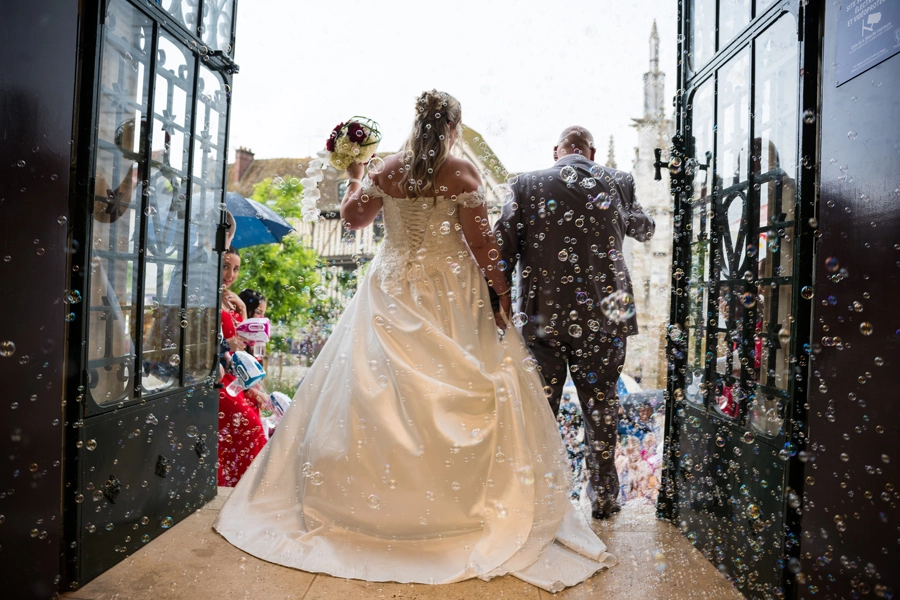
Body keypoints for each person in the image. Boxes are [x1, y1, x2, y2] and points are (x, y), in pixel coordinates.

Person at [214, 91, 616, 592]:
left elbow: (354, 219)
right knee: (456, 387)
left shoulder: (386, 169)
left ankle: (370, 502)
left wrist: (357, 173)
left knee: (373, 390)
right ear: (453, 126)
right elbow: (481, 244)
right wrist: (501, 293)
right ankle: (452, 507)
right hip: (450, 292)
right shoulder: (463, 173)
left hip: (390, 288)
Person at [494, 126, 655, 519]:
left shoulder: (524, 184)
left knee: (539, 412)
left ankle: (538, 500)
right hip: (607, 318)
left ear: (556, 152)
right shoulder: (618, 181)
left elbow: (502, 250)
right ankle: (603, 499)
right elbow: (644, 229)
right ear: (592, 153)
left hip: (542, 317)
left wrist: (496, 307)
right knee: (601, 409)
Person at [217, 247, 268, 487]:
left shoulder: (232, 301)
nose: (230, 274)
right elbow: (207, 343)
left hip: (237, 377)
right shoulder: (209, 299)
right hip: (220, 377)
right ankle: (245, 485)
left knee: (255, 415)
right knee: (252, 425)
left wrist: (244, 311)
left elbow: (244, 345)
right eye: (226, 266)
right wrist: (226, 343)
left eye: (236, 268)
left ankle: (242, 485)